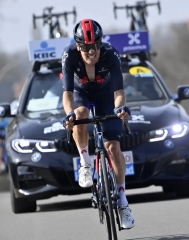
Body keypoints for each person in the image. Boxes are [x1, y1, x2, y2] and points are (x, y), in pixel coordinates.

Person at [61, 18, 135, 229]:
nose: (91, 51)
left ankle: (122, 202)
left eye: (95, 46)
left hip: (105, 96)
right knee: (80, 113)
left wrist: (120, 108)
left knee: (113, 147)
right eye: (86, 47)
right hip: (81, 94)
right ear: (78, 46)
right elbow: (67, 94)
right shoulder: (70, 56)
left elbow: (119, 92)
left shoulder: (111, 53)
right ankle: (85, 164)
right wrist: (69, 115)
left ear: (101, 44)